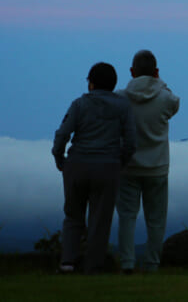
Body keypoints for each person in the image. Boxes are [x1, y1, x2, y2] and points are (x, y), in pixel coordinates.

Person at [52, 62, 136, 273]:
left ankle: (68, 262)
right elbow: (131, 142)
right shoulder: (123, 106)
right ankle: (93, 266)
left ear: (91, 83)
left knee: (73, 215)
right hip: (108, 166)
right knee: (100, 219)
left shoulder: (79, 104)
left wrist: (59, 158)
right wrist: (120, 163)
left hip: (77, 164)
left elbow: (63, 134)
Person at [116, 49, 180, 273]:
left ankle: (127, 263)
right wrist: (159, 82)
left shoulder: (120, 98)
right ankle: (152, 264)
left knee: (127, 217)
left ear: (132, 72)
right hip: (157, 167)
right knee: (156, 220)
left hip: (127, 166)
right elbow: (174, 102)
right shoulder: (166, 98)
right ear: (156, 72)